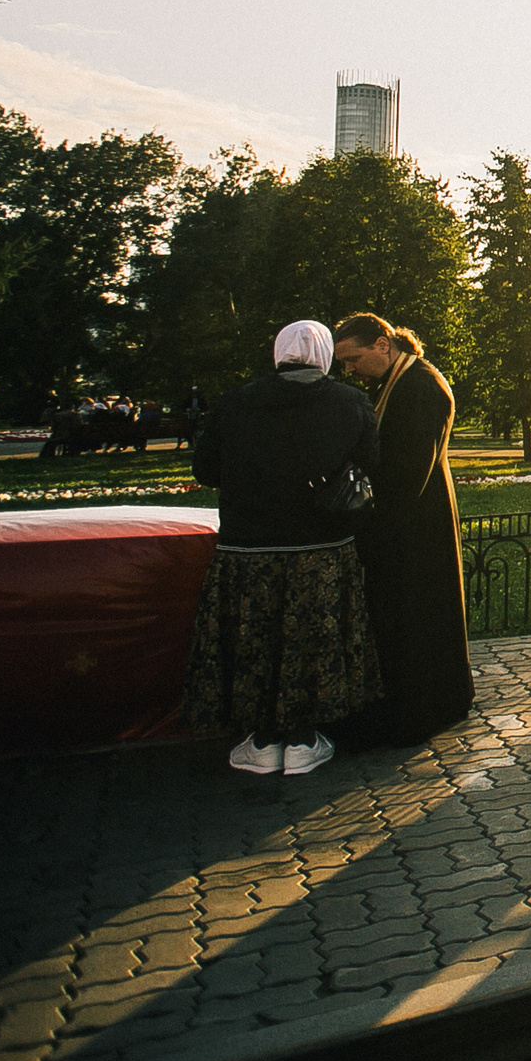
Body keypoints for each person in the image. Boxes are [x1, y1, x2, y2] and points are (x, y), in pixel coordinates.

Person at [182, 321, 382, 776]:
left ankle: (263, 739)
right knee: (312, 638)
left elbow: (206, 470)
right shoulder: (351, 402)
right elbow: (370, 466)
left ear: (279, 354)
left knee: (257, 637)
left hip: (250, 548)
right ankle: (304, 739)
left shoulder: (236, 402)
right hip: (322, 546)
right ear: (326, 355)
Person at [331, 312, 474, 747]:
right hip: (413, 520)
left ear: (382, 344)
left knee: (419, 617)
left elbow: (407, 470)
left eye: (353, 358)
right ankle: (425, 702)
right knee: (418, 618)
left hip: (414, 526)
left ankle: (424, 709)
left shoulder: (420, 386)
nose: (349, 370)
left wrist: (370, 518)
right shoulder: (401, 380)